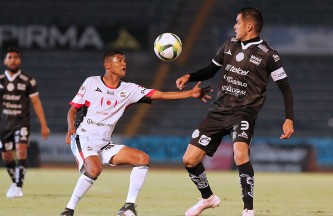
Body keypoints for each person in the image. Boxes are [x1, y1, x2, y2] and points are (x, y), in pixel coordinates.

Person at [60, 50, 212, 216]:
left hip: (104, 143)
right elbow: (73, 109)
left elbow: (159, 94)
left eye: (124, 61)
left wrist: (189, 93)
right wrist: (70, 128)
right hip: (84, 137)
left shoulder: (129, 89)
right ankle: (68, 210)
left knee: (142, 159)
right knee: (95, 169)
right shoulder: (91, 82)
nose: (124, 64)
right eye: (119, 61)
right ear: (107, 65)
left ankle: (128, 207)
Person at [175, 7, 294, 216]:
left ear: (249, 26)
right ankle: (208, 198)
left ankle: (248, 210)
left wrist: (289, 119)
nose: (234, 26)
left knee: (240, 154)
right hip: (218, 110)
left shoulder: (269, 55)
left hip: (244, 112)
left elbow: (285, 88)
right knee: (189, 160)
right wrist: (189, 76)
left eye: (237, 22)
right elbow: (211, 70)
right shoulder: (229, 44)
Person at [0, 47, 50, 198]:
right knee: (7, 157)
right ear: (5, 60)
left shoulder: (28, 80)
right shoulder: (0, 80)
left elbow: (36, 102)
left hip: (22, 122)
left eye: (16, 57)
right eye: (10, 57)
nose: (13, 60)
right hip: (3, 125)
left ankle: (18, 188)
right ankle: (15, 182)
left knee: (21, 151)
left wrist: (43, 125)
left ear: (19, 60)